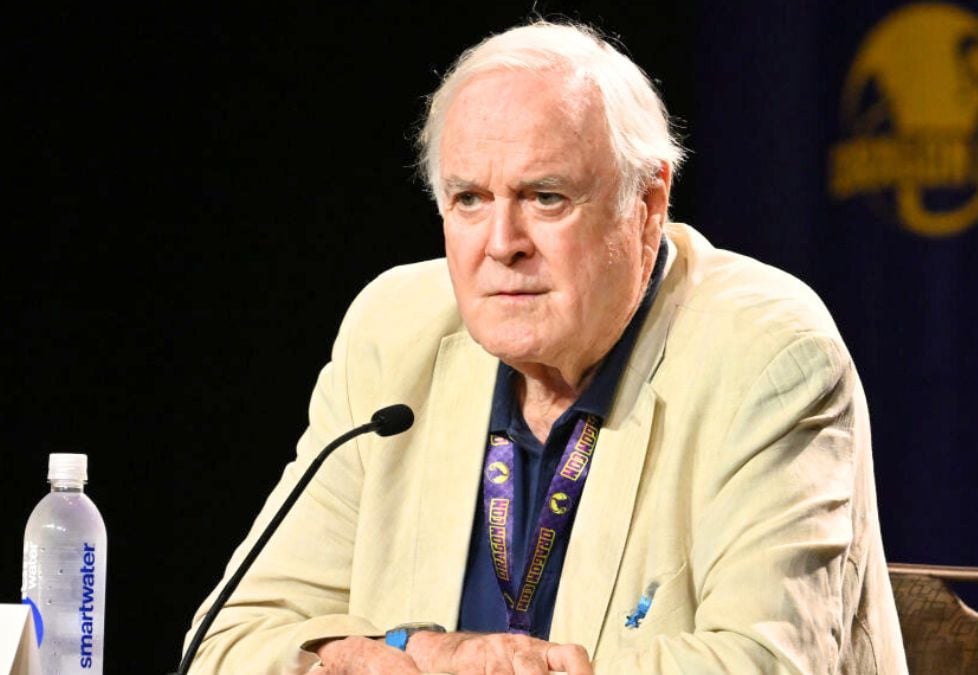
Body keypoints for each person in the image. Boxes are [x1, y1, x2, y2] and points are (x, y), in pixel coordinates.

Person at [185, 21, 907, 675]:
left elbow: (763, 662)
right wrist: (407, 651)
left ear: (648, 204)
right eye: (469, 199)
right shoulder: (395, 332)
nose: (502, 245)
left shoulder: (766, 357)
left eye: (546, 198)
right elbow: (229, 641)